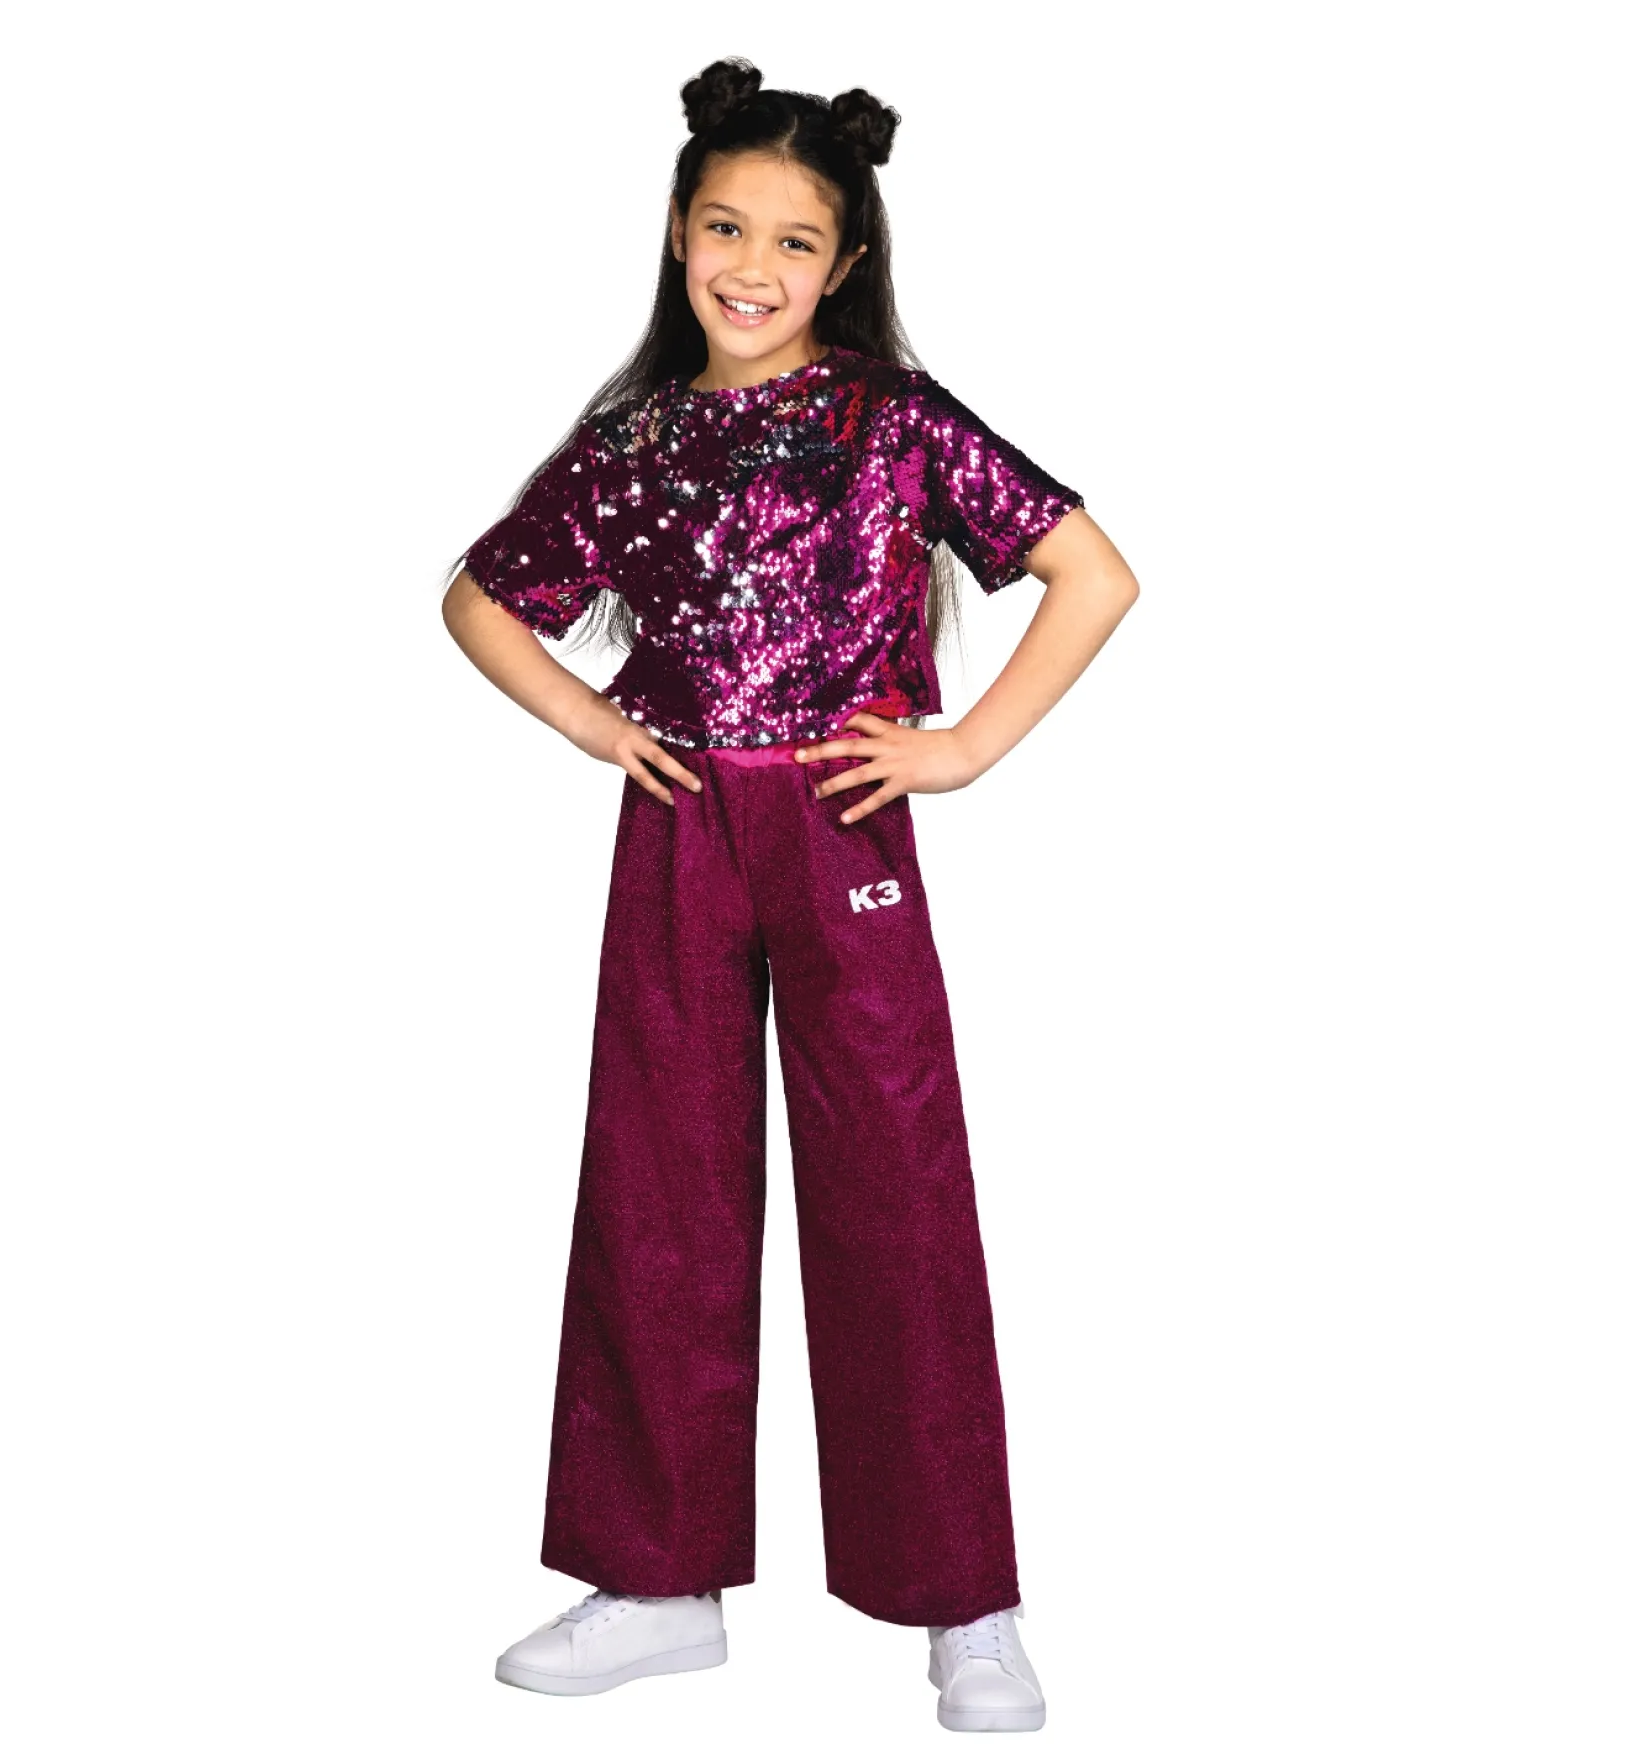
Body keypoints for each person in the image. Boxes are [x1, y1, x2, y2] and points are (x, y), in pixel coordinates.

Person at [439, 56, 1139, 1735]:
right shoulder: (634, 439)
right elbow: (476, 599)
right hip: (680, 824)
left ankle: (965, 1604)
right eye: (724, 227)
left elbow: (1092, 571)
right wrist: (598, 724)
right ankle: (655, 1581)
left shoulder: (893, 420)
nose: (751, 267)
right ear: (677, 233)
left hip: (840, 825)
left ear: (846, 265)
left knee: (895, 1195)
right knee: (658, 1192)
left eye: (794, 240)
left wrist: (962, 748)